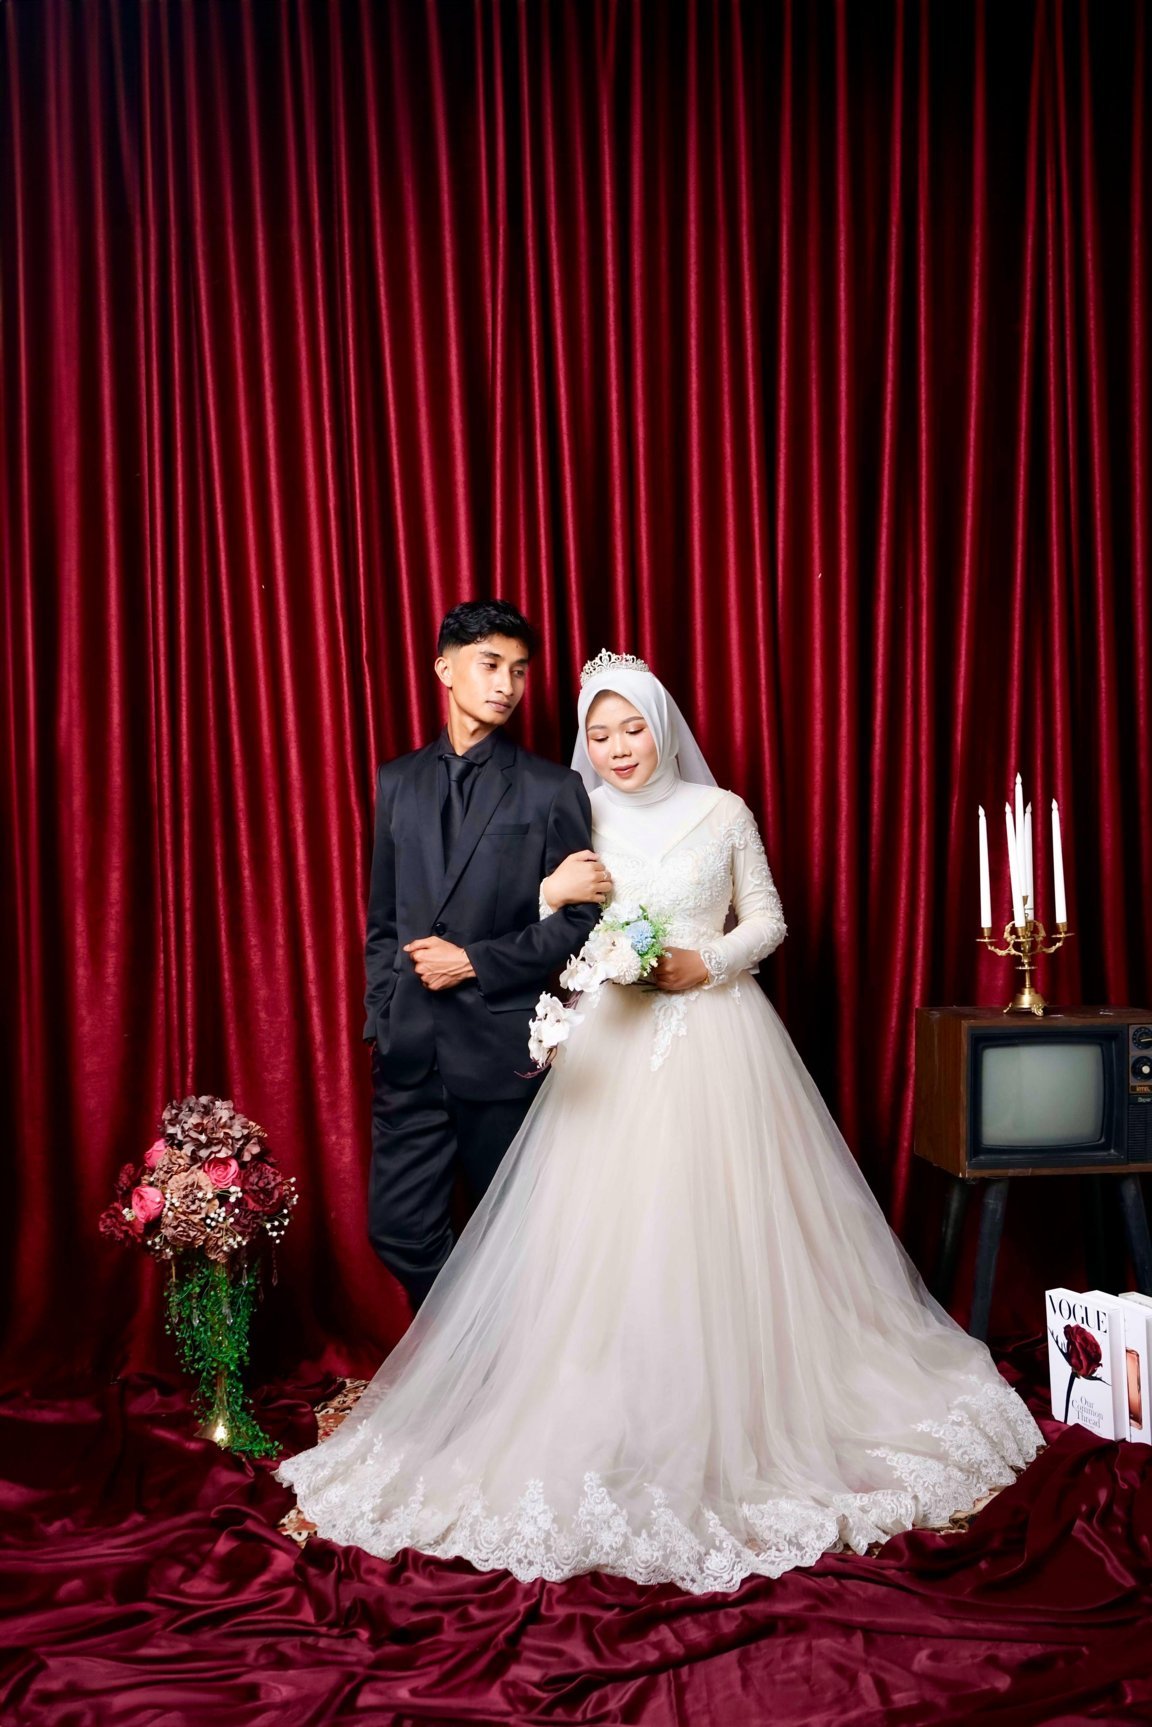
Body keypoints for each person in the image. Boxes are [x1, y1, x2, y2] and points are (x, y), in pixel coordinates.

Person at [279, 651, 1042, 1593]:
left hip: (720, 1041)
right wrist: (558, 904)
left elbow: (769, 920)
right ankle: (602, 1408)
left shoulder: (722, 812)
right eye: (598, 734)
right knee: (597, 1242)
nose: (617, 747)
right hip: (607, 1047)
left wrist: (705, 962)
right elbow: (536, 916)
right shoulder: (580, 813)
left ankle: (740, 1405)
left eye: (631, 727)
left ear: (663, 726)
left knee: (722, 1229)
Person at [361, 600, 602, 1311]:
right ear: (445, 669)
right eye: (490, 664)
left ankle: (494, 1372)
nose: (507, 684)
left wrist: (473, 963)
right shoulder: (397, 781)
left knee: (515, 1242)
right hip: (408, 1048)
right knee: (397, 1230)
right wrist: (382, 1013)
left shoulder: (551, 788)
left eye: (519, 671)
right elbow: (383, 919)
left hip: (500, 1048)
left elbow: (580, 921)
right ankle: (467, 1351)